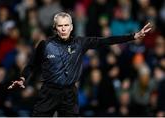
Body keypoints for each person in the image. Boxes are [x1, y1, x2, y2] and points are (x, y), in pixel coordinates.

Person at [8, 12, 152, 116]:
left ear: (71, 27)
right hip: (48, 92)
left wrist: (133, 36)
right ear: (55, 28)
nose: (63, 29)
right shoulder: (45, 45)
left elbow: (106, 40)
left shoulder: (80, 43)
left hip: (69, 94)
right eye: (60, 26)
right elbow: (31, 64)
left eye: (66, 25)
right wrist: (22, 78)